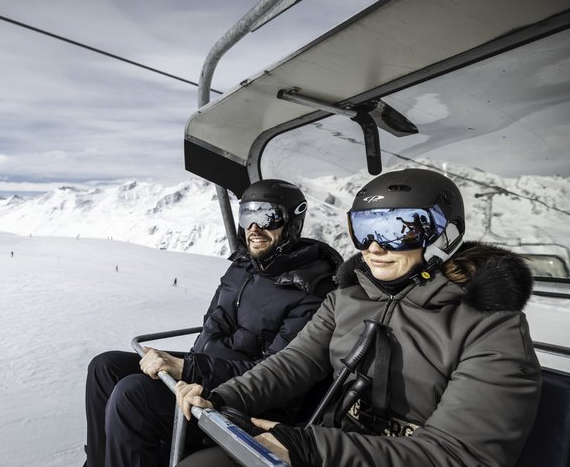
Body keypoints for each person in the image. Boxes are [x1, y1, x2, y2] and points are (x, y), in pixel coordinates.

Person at [175, 168, 542, 467]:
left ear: (444, 236)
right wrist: (226, 397)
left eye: (400, 231)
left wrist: (311, 448)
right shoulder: (346, 299)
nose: (375, 247)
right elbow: (293, 363)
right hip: (333, 440)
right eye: (365, 230)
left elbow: (460, 454)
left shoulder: (490, 327)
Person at [84, 179, 344, 466]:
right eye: (248, 216)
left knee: (134, 396)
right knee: (105, 367)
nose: (254, 228)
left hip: (247, 402)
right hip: (204, 371)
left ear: (292, 223)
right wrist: (191, 366)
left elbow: (280, 373)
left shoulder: (312, 289)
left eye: (267, 216)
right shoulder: (244, 266)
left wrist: (187, 368)